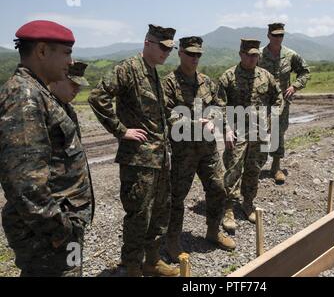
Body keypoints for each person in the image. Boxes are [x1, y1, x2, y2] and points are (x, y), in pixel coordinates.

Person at [0, 20, 94, 277]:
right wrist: (60, 231)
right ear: (42, 51)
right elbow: (25, 183)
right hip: (47, 237)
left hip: (56, 231)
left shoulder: (40, 93)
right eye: (66, 53)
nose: (71, 62)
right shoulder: (24, 96)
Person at [88, 24, 179, 277]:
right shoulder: (129, 68)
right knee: (139, 215)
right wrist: (121, 130)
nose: (166, 53)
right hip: (138, 159)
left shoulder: (153, 72)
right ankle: (131, 267)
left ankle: (152, 260)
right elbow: (97, 96)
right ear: (147, 42)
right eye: (162, 47)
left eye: (170, 48)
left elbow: (159, 116)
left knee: (160, 212)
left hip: (159, 158)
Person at [163, 36, 236, 262]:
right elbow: (166, 116)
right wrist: (192, 124)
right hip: (182, 152)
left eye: (198, 55)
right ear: (180, 53)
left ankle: (213, 231)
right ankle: (172, 241)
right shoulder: (168, 83)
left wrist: (216, 121)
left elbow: (218, 106)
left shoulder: (206, 81)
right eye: (190, 54)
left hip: (207, 149)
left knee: (218, 188)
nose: (194, 58)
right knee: (176, 197)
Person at [219, 39, 283, 232]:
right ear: (241, 54)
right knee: (233, 168)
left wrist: (273, 120)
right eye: (249, 55)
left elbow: (278, 99)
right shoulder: (228, 77)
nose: (252, 58)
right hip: (237, 131)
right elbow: (219, 105)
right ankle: (228, 207)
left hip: (260, 130)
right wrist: (226, 129)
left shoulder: (266, 77)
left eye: (255, 55)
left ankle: (248, 202)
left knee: (254, 168)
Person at [258, 23, 311, 184]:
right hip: (261, 100)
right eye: (275, 35)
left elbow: (305, 72)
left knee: (278, 132)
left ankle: (276, 166)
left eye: (281, 35)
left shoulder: (290, 55)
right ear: (268, 35)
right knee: (258, 133)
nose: (278, 38)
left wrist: (294, 86)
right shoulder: (259, 55)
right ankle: (255, 166)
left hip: (281, 102)